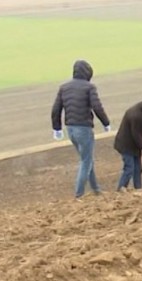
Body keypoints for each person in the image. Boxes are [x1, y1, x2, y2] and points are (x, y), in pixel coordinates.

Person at [50, 59, 112, 198]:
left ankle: (96, 190)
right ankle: (79, 195)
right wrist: (106, 123)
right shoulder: (89, 87)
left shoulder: (64, 87)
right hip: (84, 129)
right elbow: (97, 107)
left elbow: (56, 109)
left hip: (70, 129)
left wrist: (57, 128)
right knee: (86, 161)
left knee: (87, 158)